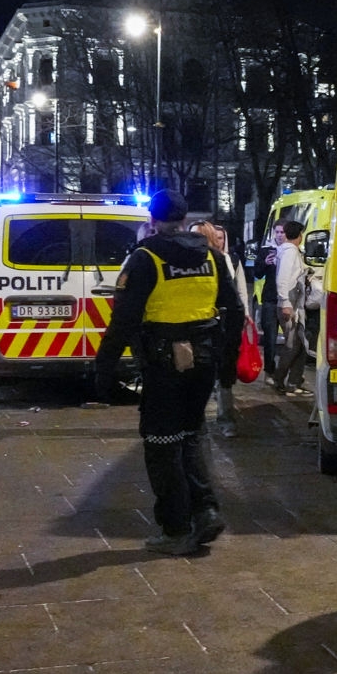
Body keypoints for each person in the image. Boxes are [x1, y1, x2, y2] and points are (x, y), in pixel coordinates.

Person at [94, 191, 242, 556]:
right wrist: (227, 362)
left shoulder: (145, 258)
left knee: (161, 446)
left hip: (163, 363)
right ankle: (205, 510)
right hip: (204, 361)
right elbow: (234, 309)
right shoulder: (210, 255)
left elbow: (124, 320)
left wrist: (103, 370)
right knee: (191, 436)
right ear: (184, 216)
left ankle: (175, 529)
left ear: (153, 218)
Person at [190, 218, 250, 437]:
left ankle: (226, 420)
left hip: (220, 326)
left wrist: (239, 323)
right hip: (196, 328)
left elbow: (235, 295)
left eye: (198, 235)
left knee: (223, 375)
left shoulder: (221, 260)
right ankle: (196, 422)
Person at [272, 220, 311, 397]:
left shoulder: (290, 252)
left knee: (300, 345)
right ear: (299, 235)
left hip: (294, 304)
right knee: (292, 345)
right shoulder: (289, 252)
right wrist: (286, 302)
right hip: (289, 304)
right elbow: (282, 279)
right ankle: (280, 380)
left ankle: (294, 383)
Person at [253, 223, 284, 381]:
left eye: (282, 232)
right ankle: (269, 372)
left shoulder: (291, 251)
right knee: (270, 338)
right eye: (277, 231)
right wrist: (264, 263)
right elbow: (257, 274)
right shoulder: (266, 250)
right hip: (270, 299)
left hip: (286, 300)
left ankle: (287, 373)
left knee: (293, 340)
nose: (279, 235)